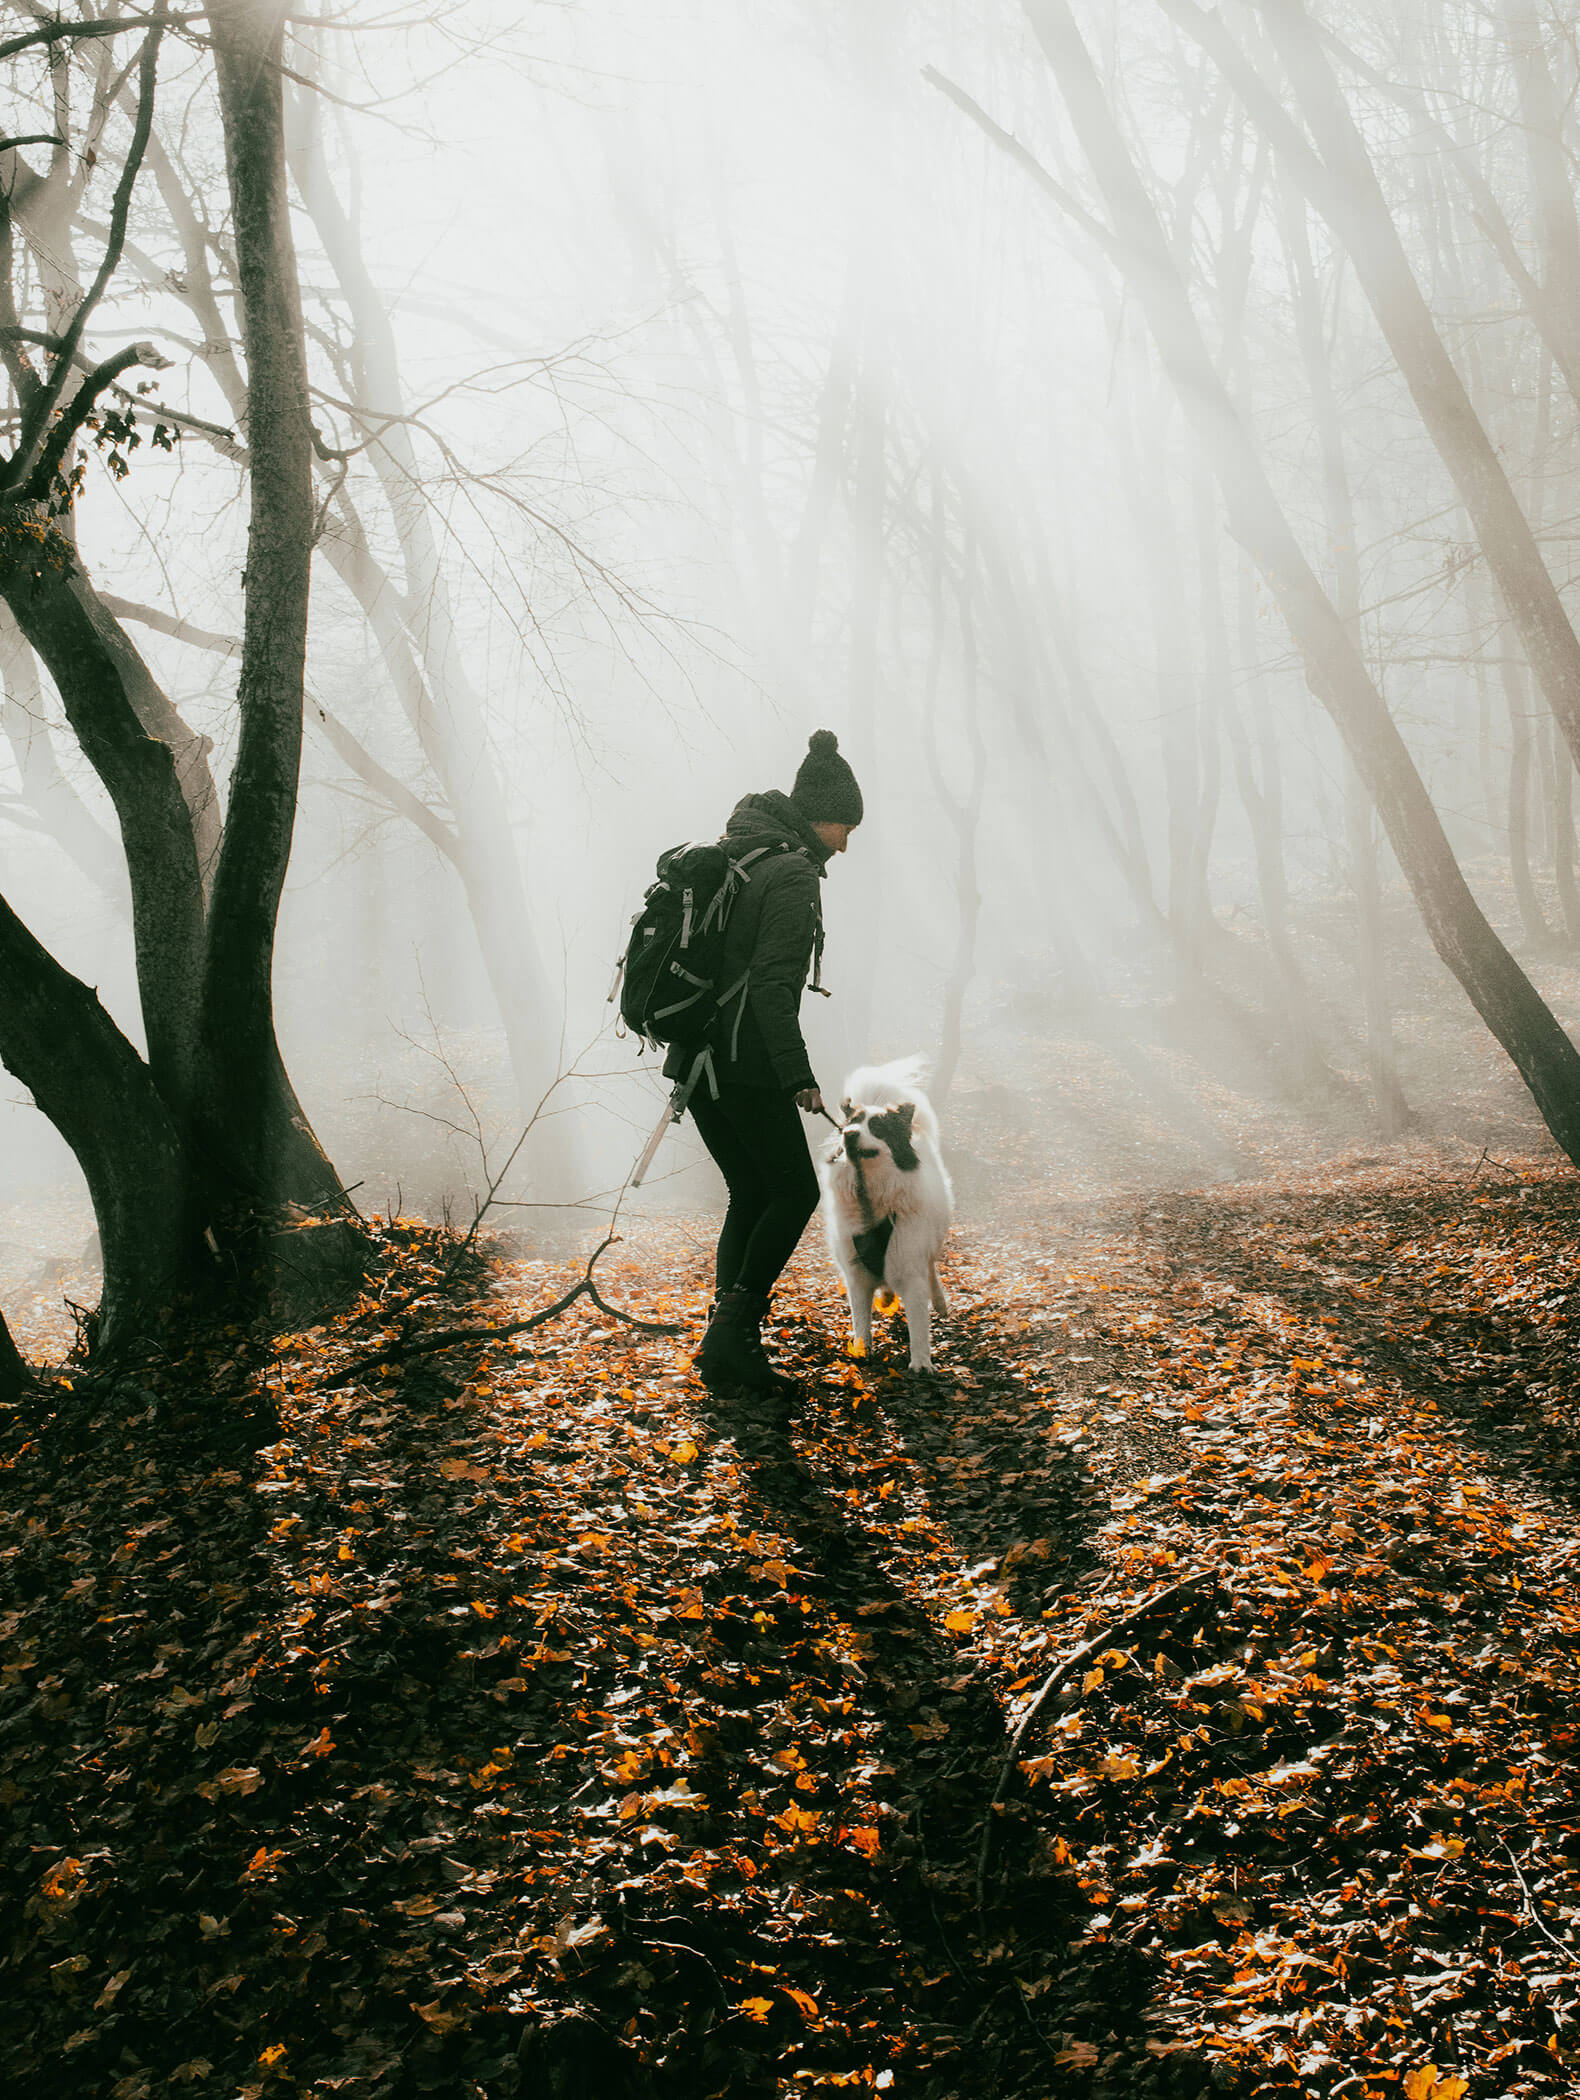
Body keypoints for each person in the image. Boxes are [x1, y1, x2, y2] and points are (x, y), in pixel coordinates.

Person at [671, 729, 863, 1392]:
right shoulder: (790, 875)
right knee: (793, 1191)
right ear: (821, 819)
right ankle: (731, 1336)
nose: (846, 841)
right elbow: (771, 988)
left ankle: (728, 1347)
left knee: (750, 1191)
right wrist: (797, 1074)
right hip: (743, 1062)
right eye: (845, 826)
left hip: (697, 1061)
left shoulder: (740, 855)